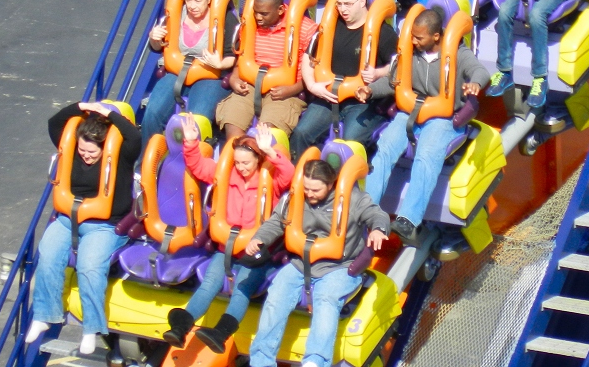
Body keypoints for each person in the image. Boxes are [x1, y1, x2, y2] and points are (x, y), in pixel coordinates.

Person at [357, 8, 490, 239]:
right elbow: (394, 82)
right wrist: (369, 91)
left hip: (442, 116)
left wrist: (475, 84)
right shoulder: (410, 53)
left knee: (427, 155)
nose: (414, 41)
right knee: (386, 148)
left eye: (420, 38)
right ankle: (366, 212)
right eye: (413, 37)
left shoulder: (456, 52)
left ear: (435, 36)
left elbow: (480, 71)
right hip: (410, 110)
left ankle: (409, 219)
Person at [163, 120, 294, 352]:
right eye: (237, 162)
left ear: (257, 159)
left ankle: (220, 333)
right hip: (227, 245)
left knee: (242, 288)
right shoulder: (227, 173)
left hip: (256, 251)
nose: (241, 168)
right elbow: (199, 167)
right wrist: (191, 142)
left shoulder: (270, 179)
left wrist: (269, 151)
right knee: (209, 284)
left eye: (246, 163)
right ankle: (181, 327)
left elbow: (289, 174)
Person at [246, 159, 389, 367]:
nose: (309, 194)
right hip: (301, 264)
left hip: (338, 266)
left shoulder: (353, 199)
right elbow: (277, 221)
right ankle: (261, 360)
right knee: (276, 295)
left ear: (330, 184)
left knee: (326, 298)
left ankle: (315, 361)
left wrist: (378, 228)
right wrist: (259, 238)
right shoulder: (296, 197)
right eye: (306, 188)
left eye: (315, 190)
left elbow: (377, 215)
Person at [25, 102, 142, 354]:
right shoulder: (73, 150)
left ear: (105, 147)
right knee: (48, 253)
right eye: (82, 150)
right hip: (70, 218)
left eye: (92, 152)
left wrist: (109, 115)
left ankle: (91, 328)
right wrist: (82, 107)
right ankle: (44, 315)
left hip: (104, 225)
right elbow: (54, 123)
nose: (86, 156)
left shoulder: (121, 153)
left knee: (89, 266)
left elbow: (133, 136)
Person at [292, 0, 398, 160]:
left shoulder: (383, 32)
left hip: (361, 100)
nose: (342, 9)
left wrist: (378, 73)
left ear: (362, 2)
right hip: (327, 95)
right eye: (339, 4)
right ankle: (301, 181)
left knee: (350, 142)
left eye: (348, 4)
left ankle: (350, 182)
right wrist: (311, 85)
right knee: (301, 133)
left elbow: (398, 68)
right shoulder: (330, 27)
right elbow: (308, 58)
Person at [142, 0, 237, 150]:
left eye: (197, 1)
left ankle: (192, 164)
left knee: (196, 119)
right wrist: (154, 39)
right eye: (188, 0)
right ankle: (146, 162)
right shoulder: (178, 14)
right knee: (153, 113)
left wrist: (220, 64)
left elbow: (234, 56)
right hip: (178, 69)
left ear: (209, 0)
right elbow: (158, 46)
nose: (192, 6)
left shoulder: (224, 18)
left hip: (209, 74)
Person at [216, 0, 316, 140]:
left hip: (283, 92)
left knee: (266, 135)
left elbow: (313, 71)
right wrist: (235, 78)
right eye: (255, 12)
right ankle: (239, 159)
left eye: (264, 14)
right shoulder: (250, 24)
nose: (258, 17)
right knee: (232, 123)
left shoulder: (305, 29)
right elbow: (241, 57)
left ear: (281, 10)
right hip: (250, 85)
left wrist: (293, 89)